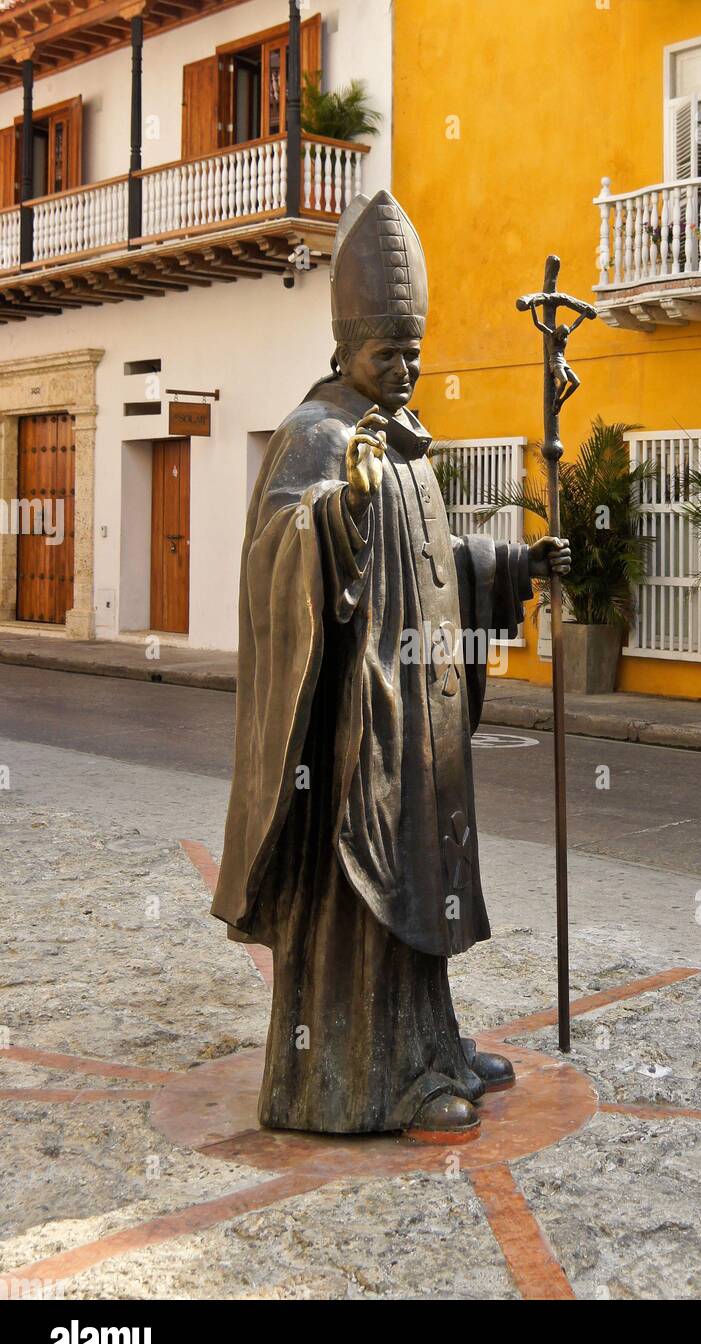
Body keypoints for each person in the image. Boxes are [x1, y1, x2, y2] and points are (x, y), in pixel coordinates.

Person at [212, 190, 571, 1141]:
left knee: (418, 887)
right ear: (345, 351)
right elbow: (273, 557)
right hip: (347, 736)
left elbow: (430, 570)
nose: (406, 368)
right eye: (388, 354)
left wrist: (505, 567)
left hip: (415, 717)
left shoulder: (403, 443)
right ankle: (359, 1080)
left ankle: (432, 1048)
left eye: (414, 352)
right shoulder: (318, 436)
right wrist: (333, 518)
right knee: (364, 900)